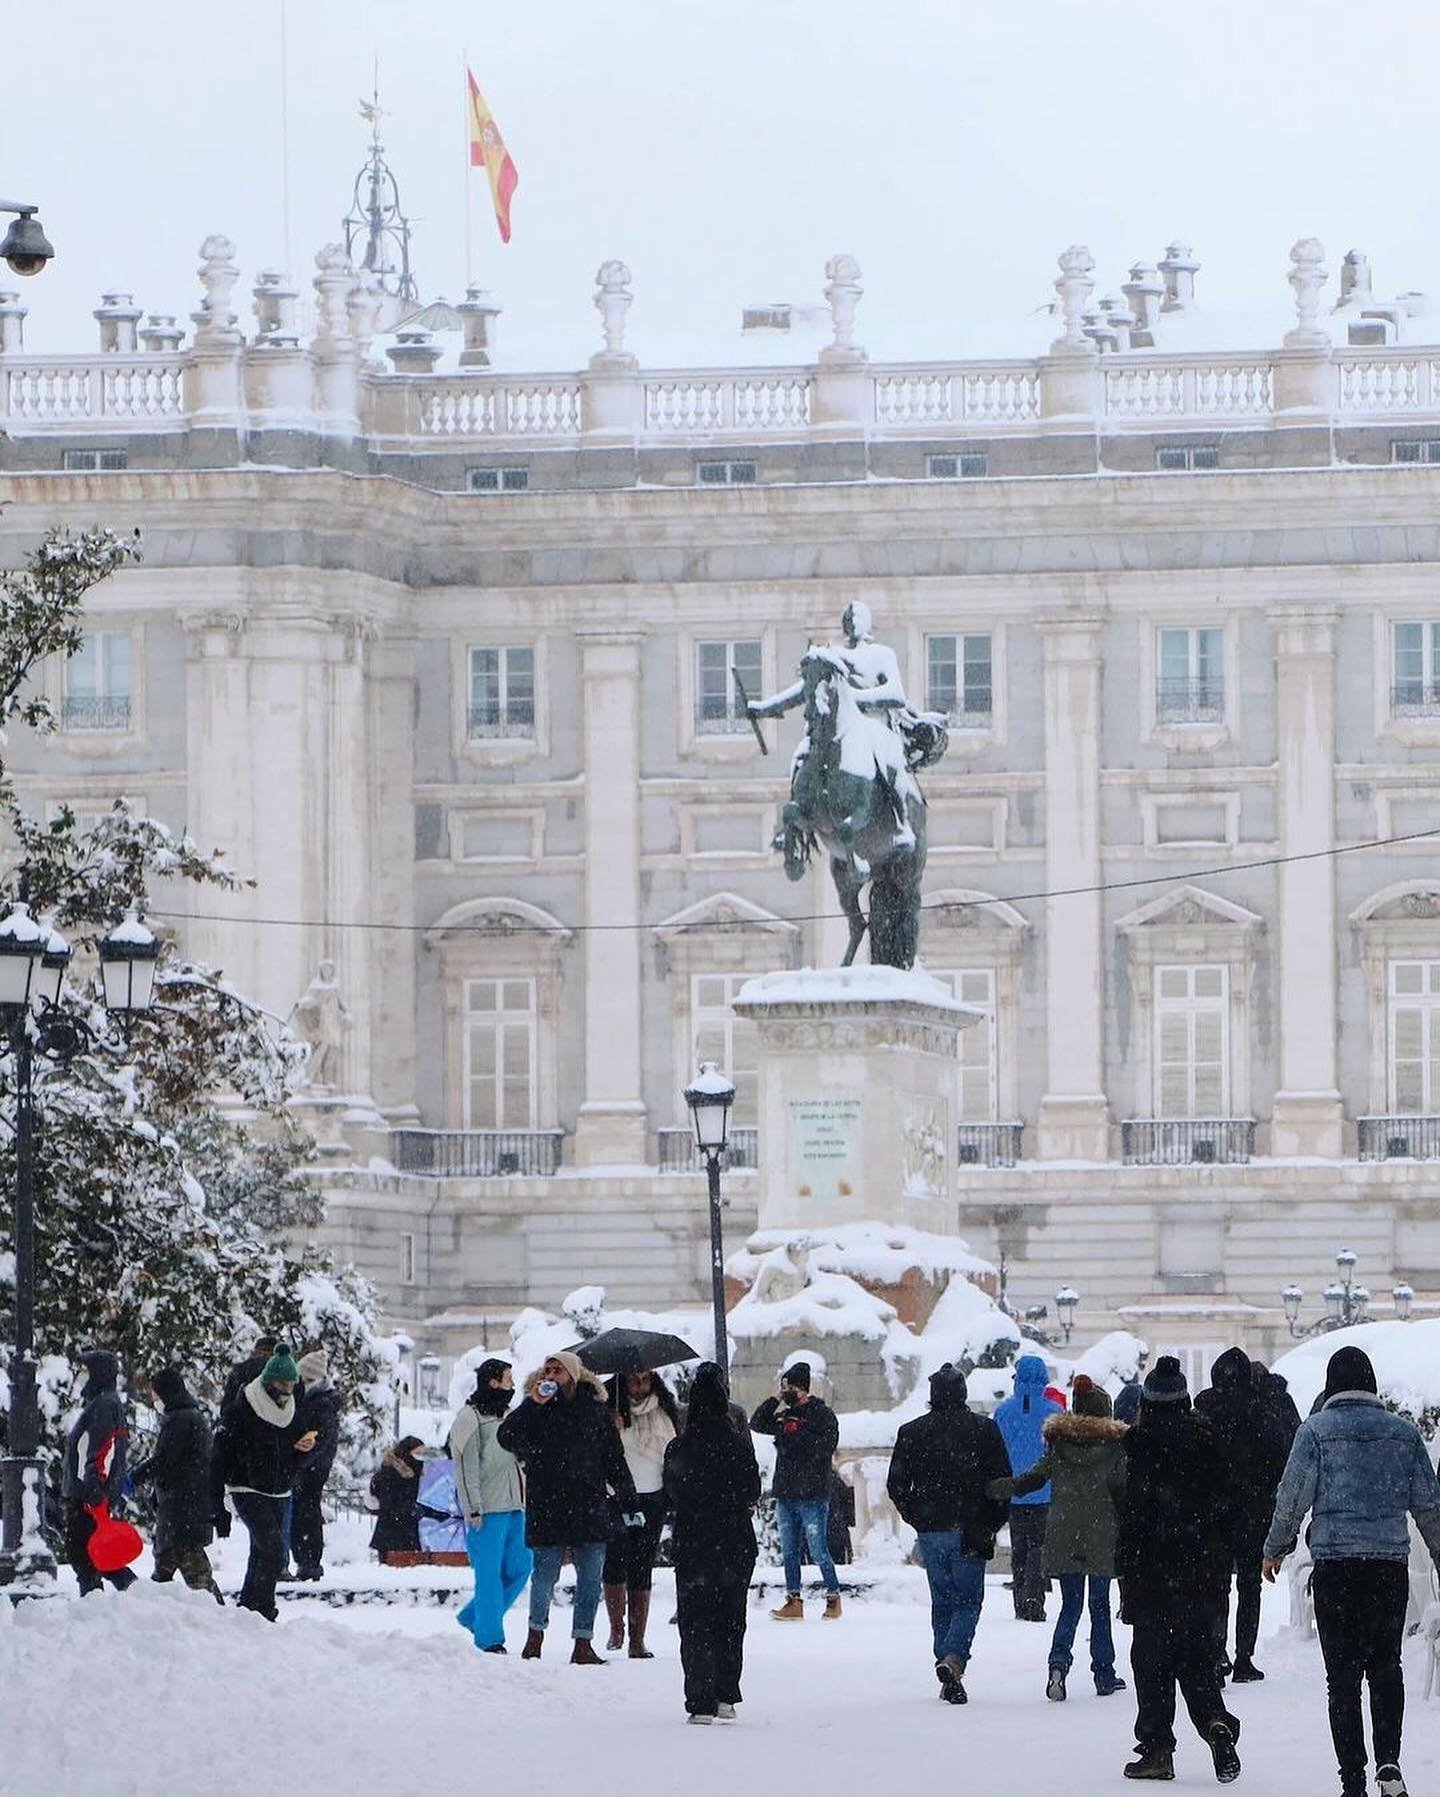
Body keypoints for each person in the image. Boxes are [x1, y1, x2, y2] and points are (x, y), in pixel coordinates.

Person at [1263, 1345, 1440, 1797]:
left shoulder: (1316, 1431)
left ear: (1331, 1386)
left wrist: (1276, 1547)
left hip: (1336, 1569)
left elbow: (1292, 1496)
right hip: (1387, 1568)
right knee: (1386, 1668)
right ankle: (1389, 1762)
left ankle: (1352, 1780)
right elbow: (1429, 1506)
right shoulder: (1402, 1434)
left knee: (1341, 1678)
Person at [1115, 1356, 1241, 1784]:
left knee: (1152, 1665)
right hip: (1202, 1576)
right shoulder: (1211, 1442)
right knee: (1198, 1663)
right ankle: (1215, 1724)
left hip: (1153, 1578)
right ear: (1185, 1400)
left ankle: (1157, 1749)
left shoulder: (1139, 1447)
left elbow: (1130, 1519)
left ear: (1147, 1404)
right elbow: (1229, 1508)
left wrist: (1127, 1576)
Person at [989, 1373, 1128, 1701]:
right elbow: (1124, 1492)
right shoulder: (1114, 1449)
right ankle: (1104, 1674)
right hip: (1100, 1535)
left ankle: (1058, 1665)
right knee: (1099, 1606)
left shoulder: (1059, 1446)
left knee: (1070, 1605)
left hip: (1065, 1533)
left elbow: (1033, 1479)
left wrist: (1001, 1487)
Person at [497, 1351, 639, 1663]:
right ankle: (535, 1636)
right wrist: (532, 1404)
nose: (550, 1376)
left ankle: (583, 1641)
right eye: (546, 1370)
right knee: (545, 1575)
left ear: (573, 1376)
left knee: (590, 1577)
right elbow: (506, 1437)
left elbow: (614, 1459)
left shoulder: (595, 1411)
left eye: (557, 1371)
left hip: (588, 1503)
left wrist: (629, 1499)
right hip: (548, 1504)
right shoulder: (535, 1408)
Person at [887, 1363, 1011, 1704]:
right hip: (971, 1527)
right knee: (969, 1601)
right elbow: (1001, 1482)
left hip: (931, 1527)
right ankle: (954, 1659)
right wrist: (992, 1522)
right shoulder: (983, 1430)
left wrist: (916, 1517)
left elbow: (897, 1485)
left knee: (942, 1600)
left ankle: (946, 1666)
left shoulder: (911, 1432)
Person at [664, 1362, 762, 1725]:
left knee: (695, 1621)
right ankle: (726, 1693)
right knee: (731, 1618)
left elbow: (672, 1492)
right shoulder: (738, 1445)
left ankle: (699, 1697)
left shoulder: (679, 1447)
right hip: (735, 1540)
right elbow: (752, 1490)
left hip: (694, 1542)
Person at [1195, 1348, 1295, 1683]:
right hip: (1252, 1511)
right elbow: (1279, 1457)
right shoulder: (1260, 1410)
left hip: (1213, 1511)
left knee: (1216, 1585)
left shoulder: (1203, 1410)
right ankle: (1243, 1659)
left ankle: (1214, 1651)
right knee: (1250, 1587)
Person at [217, 1343, 314, 1620]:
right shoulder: (242, 1408)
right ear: (270, 1381)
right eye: (283, 1383)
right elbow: (221, 1452)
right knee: (273, 1551)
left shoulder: (292, 1409)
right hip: (246, 1486)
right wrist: (216, 1499)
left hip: (279, 1488)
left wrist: (302, 1451)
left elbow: (294, 1450)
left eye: (292, 1383)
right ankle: (263, 1607)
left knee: (261, 1552)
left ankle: (251, 1608)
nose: (288, 1389)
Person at [750, 1361, 843, 1620]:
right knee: (789, 1551)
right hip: (786, 1493)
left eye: (790, 1386)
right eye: (784, 1386)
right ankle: (794, 1600)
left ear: (802, 1388)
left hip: (812, 1494)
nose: (786, 1390)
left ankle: (833, 1597)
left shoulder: (822, 1415)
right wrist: (776, 1398)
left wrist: (796, 1433)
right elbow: (756, 1422)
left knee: (818, 1550)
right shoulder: (783, 1415)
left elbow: (824, 1447)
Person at [450, 1359, 531, 1653]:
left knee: (522, 1567)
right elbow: (465, 1467)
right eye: (508, 1378)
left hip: (515, 1505)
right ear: (493, 1382)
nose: (512, 1384)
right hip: (486, 1510)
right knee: (488, 1576)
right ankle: (489, 1637)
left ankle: (476, 1616)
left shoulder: (509, 1415)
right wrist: (472, 1507)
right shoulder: (469, 1418)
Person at [603, 1369, 680, 1657]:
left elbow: (672, 1450)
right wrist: (612, 1427)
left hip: (653, 1497)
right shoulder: (609, 1411)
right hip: (616, 1497)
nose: (640, 1385)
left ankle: (637, 1639)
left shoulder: (663, 1412)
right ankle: (616, 1629)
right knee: (614, 1561)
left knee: (642, 1563)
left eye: (646, 1379)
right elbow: (602, 1453)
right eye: (634, 1379)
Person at [130, 1365, 221, 1600]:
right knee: (165, 1568)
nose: (153, 1399)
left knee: (196, 1572)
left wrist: (135, 1478)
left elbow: (165, 1460)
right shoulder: (188, 1416)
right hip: (182, 1505)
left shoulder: (180, 1419)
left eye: (155, 1393)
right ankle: (151, 1613)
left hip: (181, 1508)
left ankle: (218, 1615)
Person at [62, 1348, 136, 1596]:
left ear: (98, 1375)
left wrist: (93, 1489)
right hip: (90, 1492)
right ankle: (134, 1597)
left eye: (87, 1372)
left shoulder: (104, 1406)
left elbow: (103, 1449)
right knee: (94, 1556)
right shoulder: (103, 1403)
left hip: (89, 1495)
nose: (82, 1379)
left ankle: (99, 1609)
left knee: (87, 1557)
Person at [994, 1354, 1061, 1622]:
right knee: (1039, 1547)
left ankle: (1020, 1597)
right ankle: (1034, 1596)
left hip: (1014, 1491)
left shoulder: (1003, 1412)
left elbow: (996, 1450)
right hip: (1044, 1490)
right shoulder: (1054, 1412)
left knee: (1018, 1547)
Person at [289, 1348, 340, 1581]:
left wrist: (301, 1461)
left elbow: (320, 1438)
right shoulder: (318, 1400)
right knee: (305, 1509)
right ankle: (306, 1559)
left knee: (306, 1510)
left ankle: (308, 1560)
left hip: (312, 1466)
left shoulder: (319, 1403)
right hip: (312, 1464)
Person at [369, 1435, 447, 1561]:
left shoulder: (415, 1473)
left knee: (410, 1574)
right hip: (391, 1535)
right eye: (418, 1453)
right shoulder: (390, 1473)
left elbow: (414, 1502)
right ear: (406, 1452)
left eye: (423, 1453)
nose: (421, 1456)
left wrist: (435, 1513)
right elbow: (391, 1504)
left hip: (407, 1534)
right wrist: (414, 1510)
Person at [221, 1334, 277, 1412]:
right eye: (264, 1350)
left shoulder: (239, 1371)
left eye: (270, 1352)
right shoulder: (240, 1371)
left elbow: (225, 1408)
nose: (265, 1354)